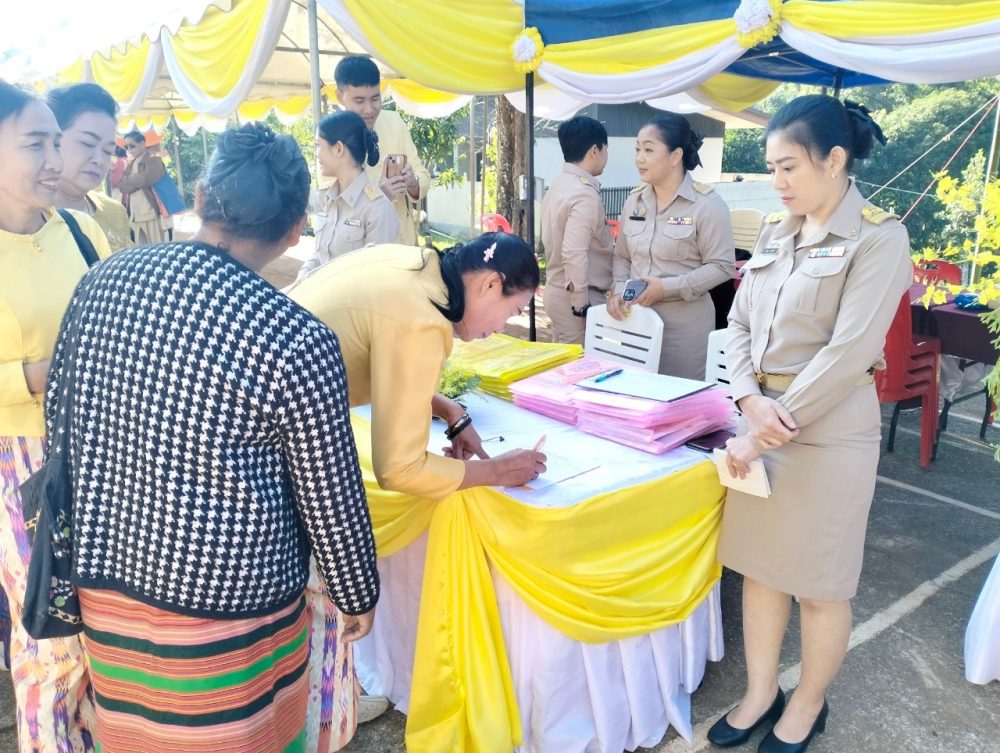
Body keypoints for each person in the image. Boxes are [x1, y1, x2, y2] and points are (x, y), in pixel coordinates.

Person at [51, 122, 379, 751]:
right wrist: (356, 590)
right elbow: (328, 491)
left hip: (108, 581)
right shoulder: (293, 336)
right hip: (232, 605)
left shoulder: (102, 281)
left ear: (200, 197)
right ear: (294, 230)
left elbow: (63, 421)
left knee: (137, 735)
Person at [710, 96, 912, 753]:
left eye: (789, 166)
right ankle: (760, 692)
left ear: (834, 160)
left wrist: (759, 431)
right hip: (761, 419)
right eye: (772, 168)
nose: (777, 181)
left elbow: (847, 353)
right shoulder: (776, 230)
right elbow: (739, 323)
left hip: (828, 433)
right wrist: (747, 399)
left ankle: (807, 702)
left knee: (821, 586)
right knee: (761, 570)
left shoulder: (879, 238)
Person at [287, 233, 546, 728]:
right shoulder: (422, 319)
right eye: (512, 310)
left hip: (261, 401)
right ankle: (321, 706)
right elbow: (399, 468)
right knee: (311, 582)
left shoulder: (416, 264)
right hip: (270, 431)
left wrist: (448, 409)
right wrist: (495, 471)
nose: (501, 328)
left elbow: (382, 349)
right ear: (490, 285)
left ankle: (324, 695)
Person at [0, 79, 112, 753]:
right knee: (51, 635)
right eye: (34, 144)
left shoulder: (80, 229)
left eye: (54, 142)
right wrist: (36, 376)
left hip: (98, 450)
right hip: (22, 465)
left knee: (105, 622)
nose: (54, 160)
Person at [608, 113, 735, 379]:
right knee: (634, 394)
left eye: (649, 150)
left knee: (681, 400)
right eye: (637, 149)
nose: (639, 158)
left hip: (684, 333)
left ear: (675, 155)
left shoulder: (706, 205)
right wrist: (619, 289)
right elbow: (622, 256)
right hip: (637, 324)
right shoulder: (634, 202)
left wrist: (666, 288)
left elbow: (722, 266)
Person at [334, 56, 430, 246]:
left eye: (375, 98)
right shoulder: (330, 135)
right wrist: (380, 195)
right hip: (360, 248)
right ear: (339, 96)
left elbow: (423, 177)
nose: (369, 109)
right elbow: (332, 204)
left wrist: (413, 182)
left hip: (401, 244)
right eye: (359, 100)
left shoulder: (394, 122)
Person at [295, 110, 399, 282]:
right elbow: (320, 254)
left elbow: (376, 279)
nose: (316, 154)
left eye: (318, 145)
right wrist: (301, 279)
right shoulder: (326, 198)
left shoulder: (378, 209)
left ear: (338, 148)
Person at [540, 115, 614, 344]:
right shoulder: (584, 194)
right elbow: (574, 252)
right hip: (577, 297)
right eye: (606, 149)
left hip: (557, 289)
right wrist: (581, 306)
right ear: (595, 151)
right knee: (582, 362)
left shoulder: (558, 185)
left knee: (565, 361)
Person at [47, 83, 131, 251]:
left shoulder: (114, 212)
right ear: (50, 140)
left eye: (108, 151)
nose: (99, 160)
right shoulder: (27, 219)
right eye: (87, 143)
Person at [118, 128, 166, 244]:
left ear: (142, 143)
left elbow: (148, 179)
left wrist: (129, 180)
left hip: (151, 214)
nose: (129, 150)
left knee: (157, 249)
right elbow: (122, 186)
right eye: (126, 147)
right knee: (142, 250)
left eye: (132, 146)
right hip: (135, 216)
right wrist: (137, 180)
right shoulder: (131, 163)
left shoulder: (153, 159)